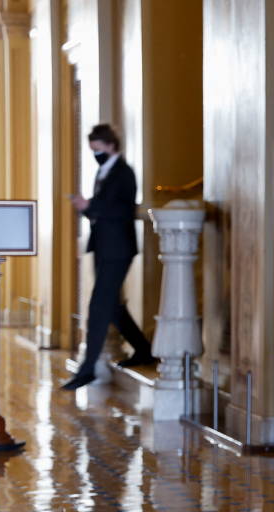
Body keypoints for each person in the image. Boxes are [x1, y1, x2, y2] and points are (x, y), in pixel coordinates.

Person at [61, 124, 157, 391]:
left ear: (111, 145)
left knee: (99, 305)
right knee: (112, 306)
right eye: (93, 150)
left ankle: (88, 368)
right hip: (104, 245)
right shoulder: (104, 172)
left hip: (118, 248)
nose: (95, 154)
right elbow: (102, 210)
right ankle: (143, 350)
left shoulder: (124, 173)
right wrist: (87, 207)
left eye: (98, 149)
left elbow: (123, 210)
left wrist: (91, 205)